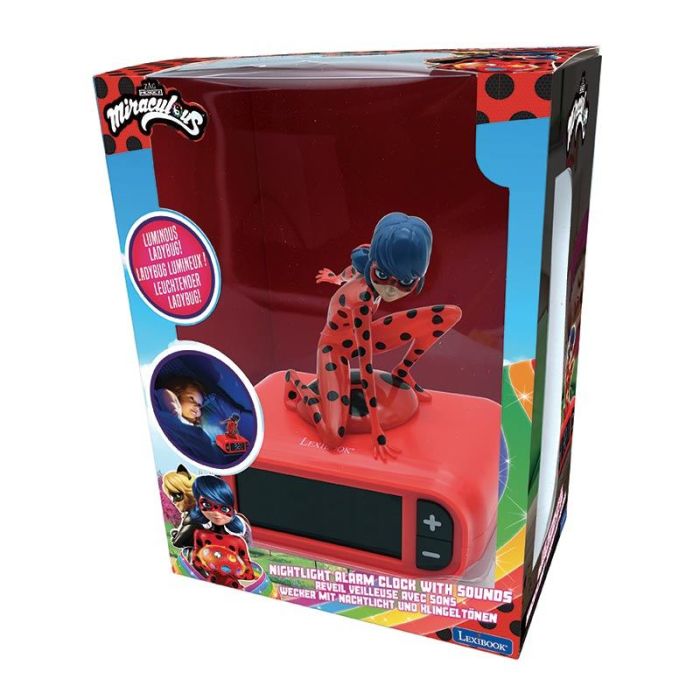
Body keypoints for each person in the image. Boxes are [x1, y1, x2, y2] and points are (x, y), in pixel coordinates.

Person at [285, 212, 462, 461]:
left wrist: (336, 278)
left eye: (404, 282)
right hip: (334, 349)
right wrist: (377, 432)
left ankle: (402, 371)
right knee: (332, 437)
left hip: (361, 336)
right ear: (374, 266)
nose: (390, 289)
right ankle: (295, 382)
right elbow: (365, 366)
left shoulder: (371, 256)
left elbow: (352, 270)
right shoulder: (362, 300)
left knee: (448, 315)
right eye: (382, 276)